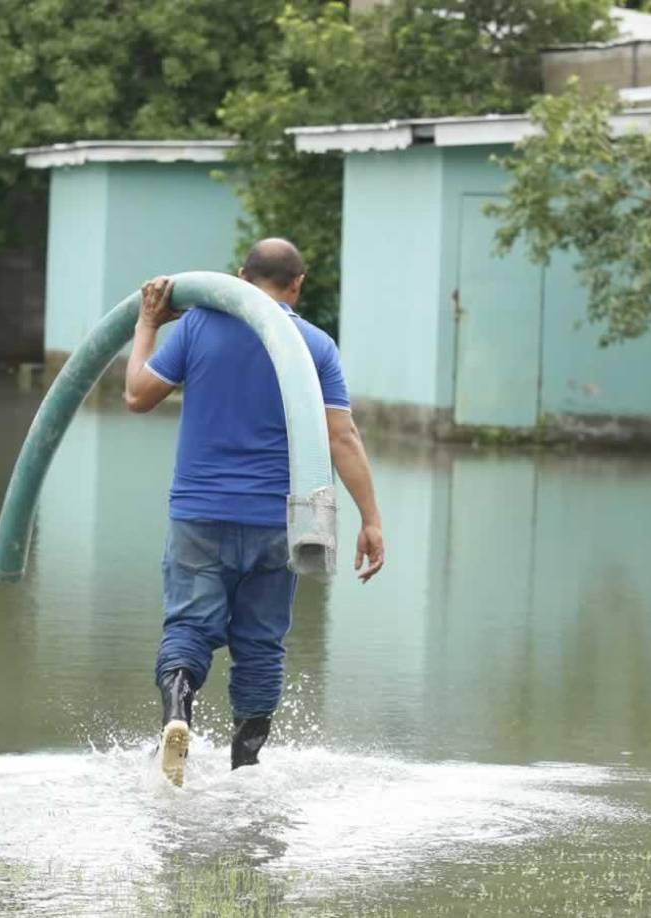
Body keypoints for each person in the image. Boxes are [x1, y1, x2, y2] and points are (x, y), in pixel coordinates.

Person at [124, 238, 384, 787]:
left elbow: (137, 395)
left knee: (190, 627)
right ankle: (246, 766)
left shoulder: (197, 328)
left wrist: (149, 324)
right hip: (277, 524)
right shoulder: (313, 345)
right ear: (297, 285)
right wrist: (371, 519)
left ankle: (176, 717)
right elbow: (342, 437)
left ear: (240, 276)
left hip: (200, 515)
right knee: (260, 645)